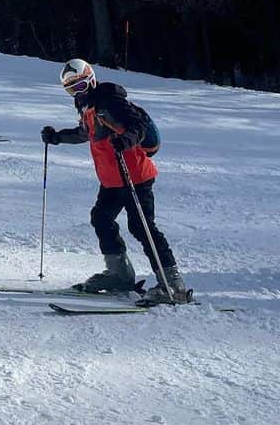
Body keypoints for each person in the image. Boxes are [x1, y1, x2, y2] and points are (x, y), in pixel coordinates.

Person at [41, 58, 189, 303]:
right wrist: (57, 137)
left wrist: (128, 140)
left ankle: (173, 285)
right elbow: (85, 134)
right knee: (100, 218)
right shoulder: (88, 107)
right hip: (112, 180)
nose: (77, 92)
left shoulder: (110, 102)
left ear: (91, 79)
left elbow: (137, 125)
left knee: (142, 227)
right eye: (71, 89)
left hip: (135, 176)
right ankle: (119, 274)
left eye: (80, 86)